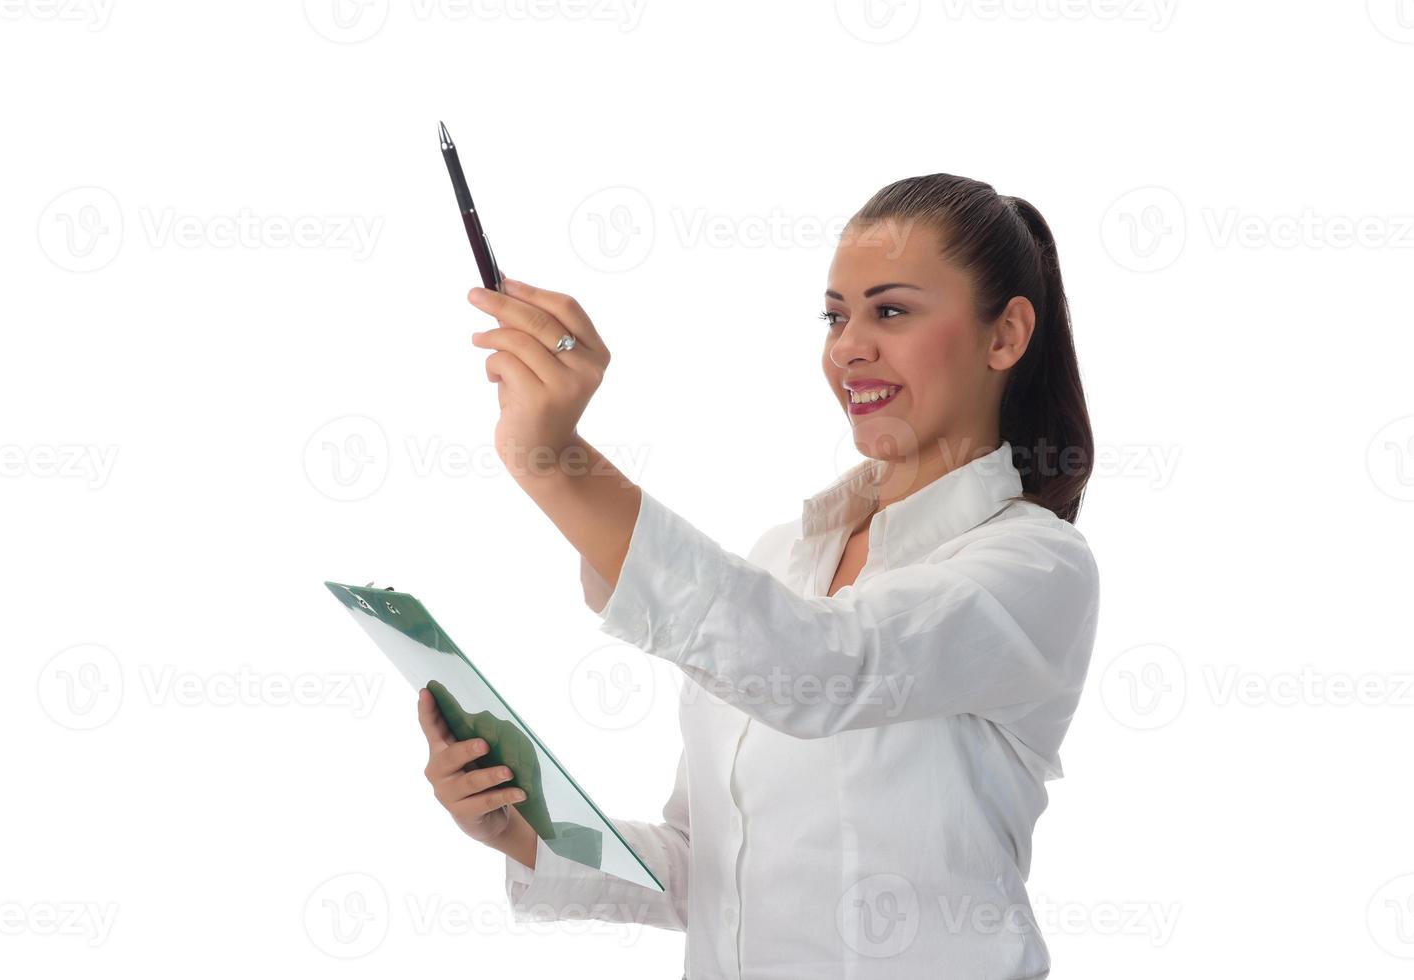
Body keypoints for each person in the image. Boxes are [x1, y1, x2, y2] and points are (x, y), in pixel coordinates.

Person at [417, 173, 1100, 979]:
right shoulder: (783, 560)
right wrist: (526, 830)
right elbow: (705, 865)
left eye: (890, 310)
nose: (848, 346)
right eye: (835, 315)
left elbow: (820, 670)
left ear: (1005, 335)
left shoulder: (1032, 566)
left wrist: (557, 461)